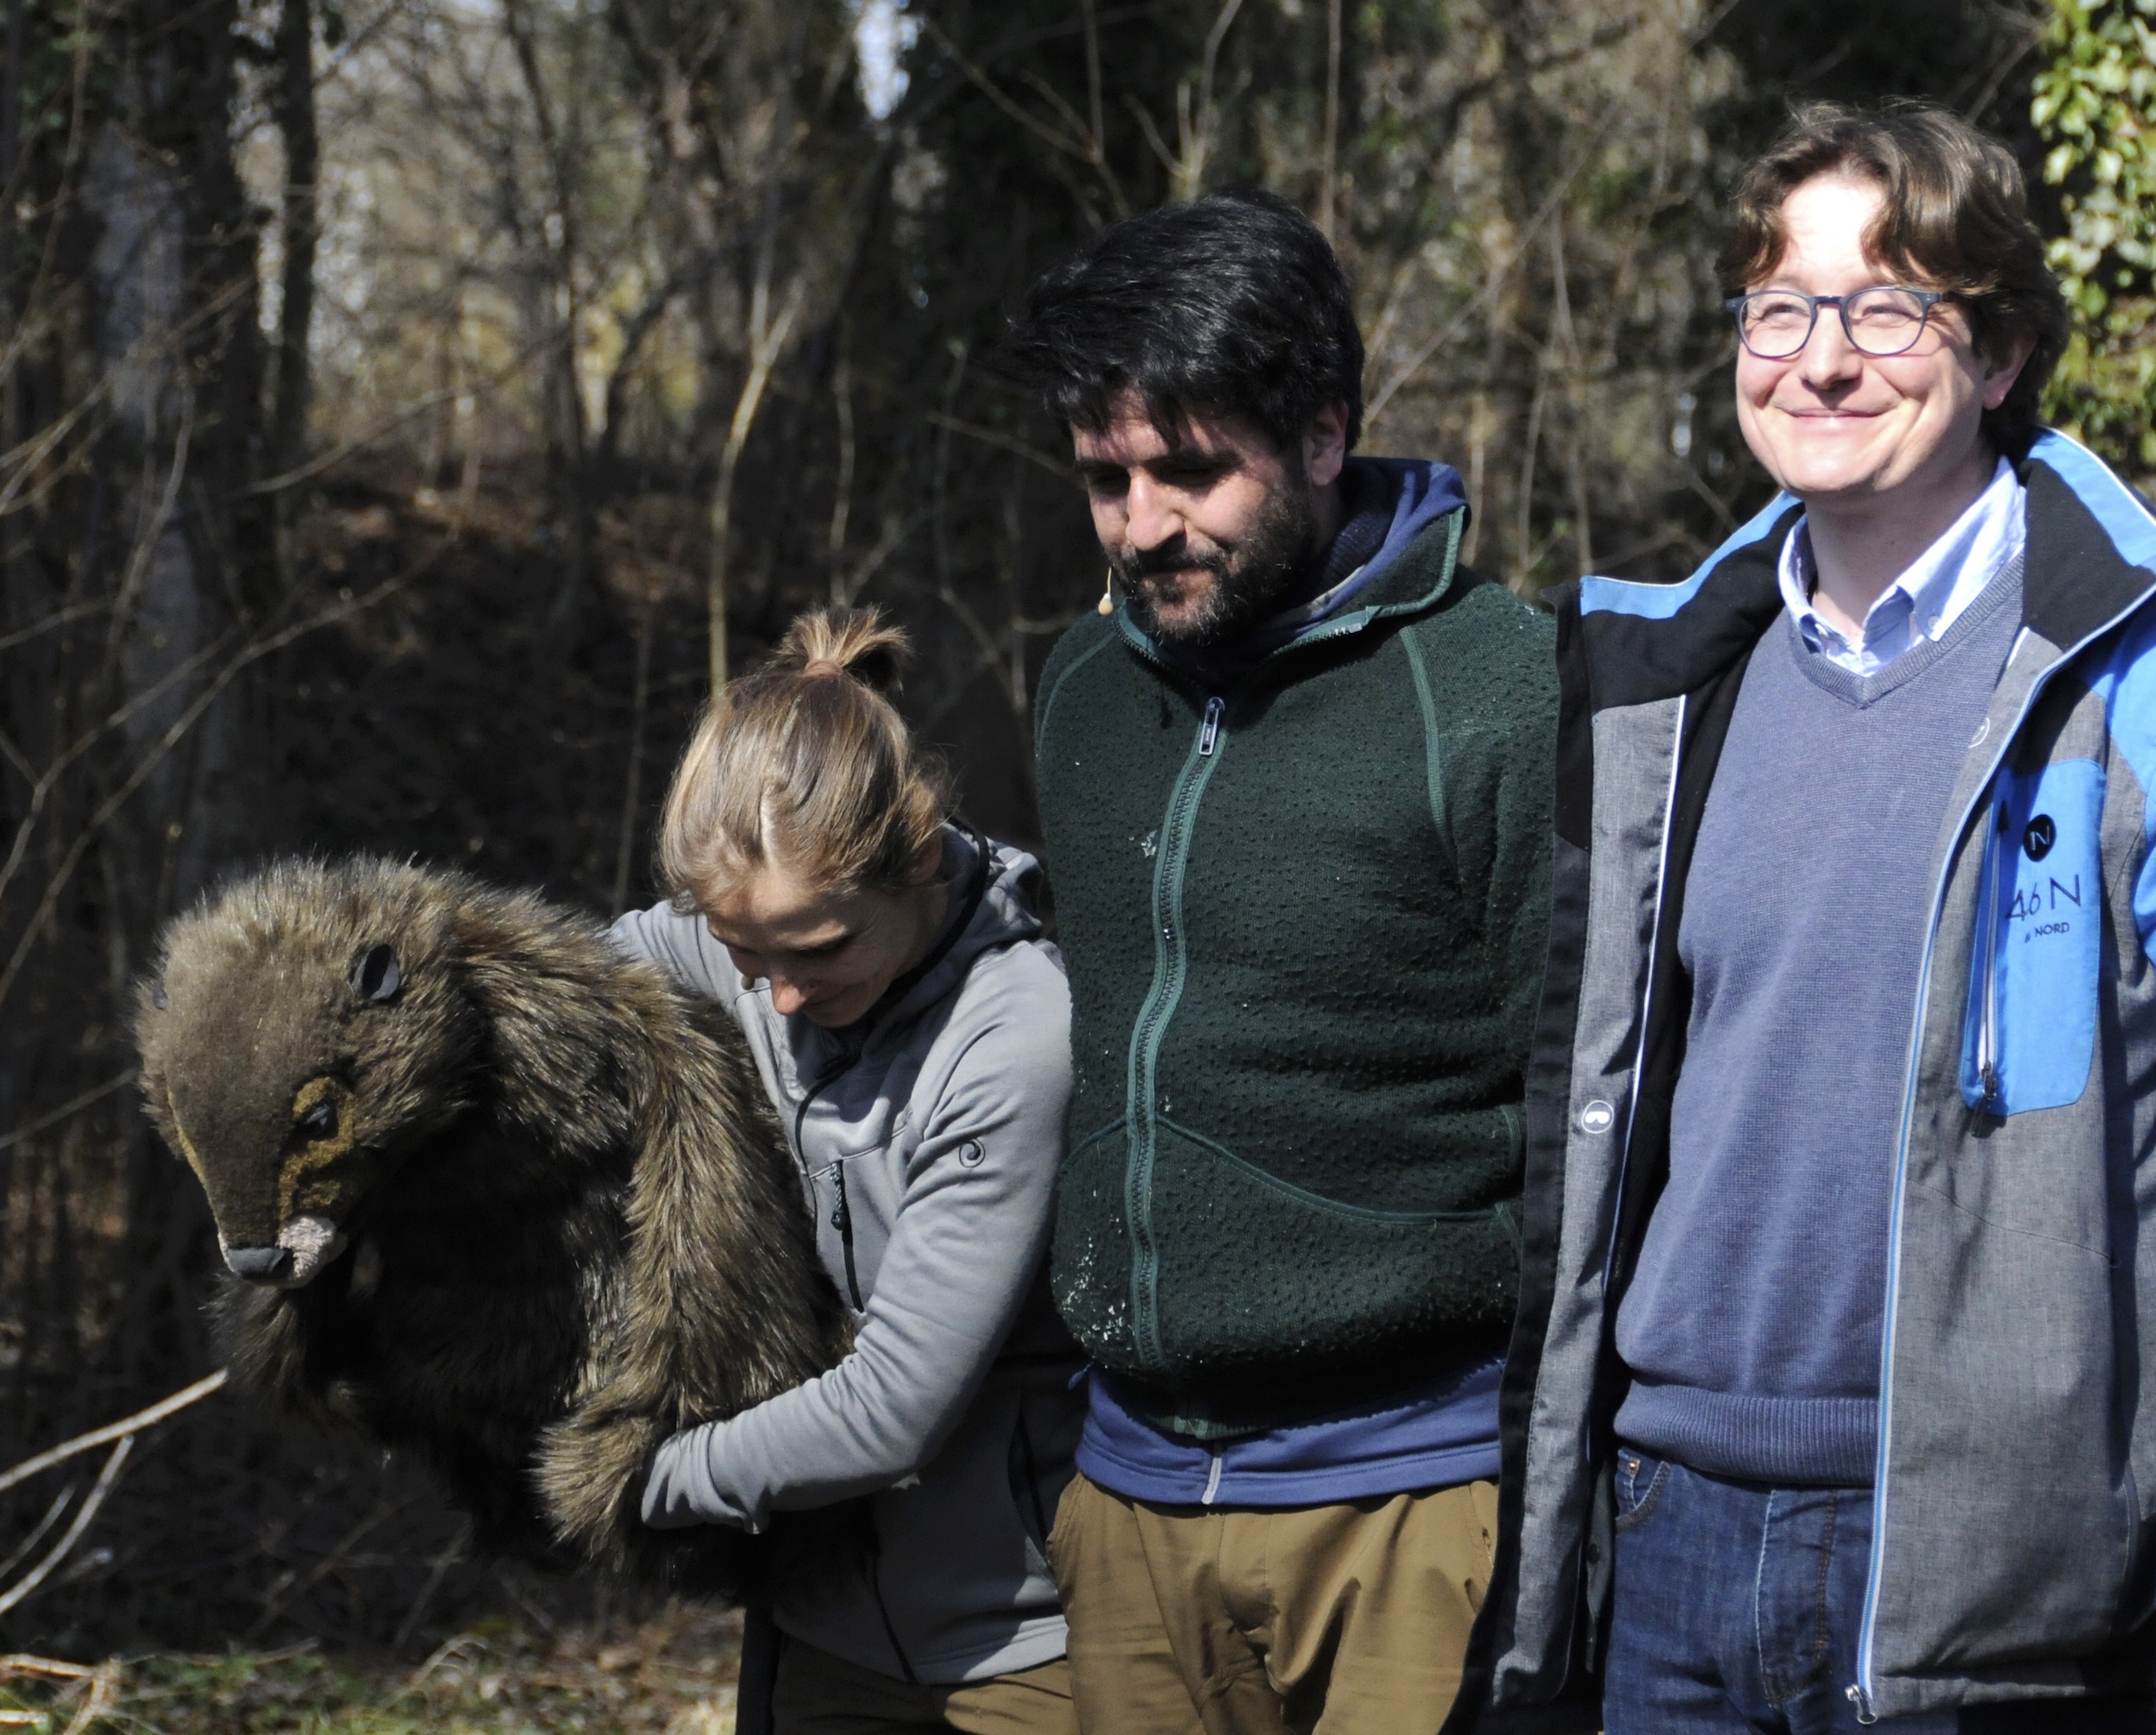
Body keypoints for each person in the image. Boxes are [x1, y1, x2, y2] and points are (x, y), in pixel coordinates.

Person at [1456, 102, 2156, 1734]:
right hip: (1669, 1528)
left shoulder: (2122, 673)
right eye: (1782, 309)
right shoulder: (1659, 687)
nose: (1824, 358)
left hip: (1999, 1562)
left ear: (1995, 354)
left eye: (1888, 307)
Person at [1010, 189, 1557, 1733]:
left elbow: (1590, 1105)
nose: (1142, 526)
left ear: (1322, 436)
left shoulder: (1502, 688)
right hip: (1122, 1504)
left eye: (1194, 471)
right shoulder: (1081, 689)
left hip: (1413, 1503)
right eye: (1105, 479)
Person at [623, 605, 1085, 1735]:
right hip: (817, 1621)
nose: (777, 996)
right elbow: (550, 994)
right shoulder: (751, 935)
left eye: (818, 951)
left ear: (918, 860)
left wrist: (629, 1481)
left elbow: (891, 1409)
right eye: (742, 954)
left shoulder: (1015, 1033)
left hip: (1017, 1647)